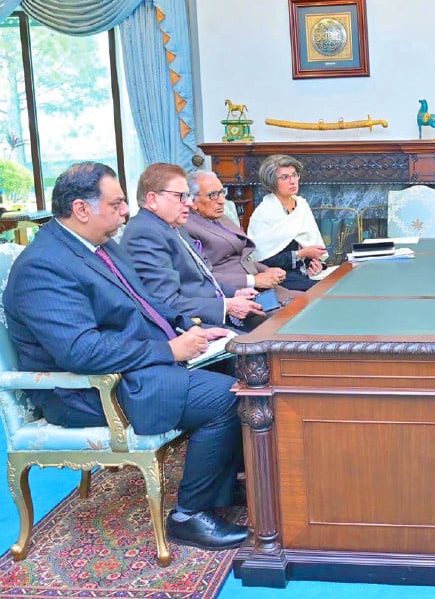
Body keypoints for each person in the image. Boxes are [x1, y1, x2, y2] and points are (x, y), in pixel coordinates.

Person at [2, 162, 248, 550]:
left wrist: (189, 325)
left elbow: (145, 303)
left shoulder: (99, 245)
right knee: (227, 397)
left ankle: (218, 486)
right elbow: (81, 351)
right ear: (82, 209)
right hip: (85, 392)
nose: (126, 211)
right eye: (116, 203)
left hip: (128, 368)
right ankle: (189, 515)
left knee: (240, 365)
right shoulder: (43, 266)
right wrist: (166, 349)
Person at [120, 163, 266, 331]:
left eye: (188, 195)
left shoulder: (174, 225)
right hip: (192, 328)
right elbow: (166, 303)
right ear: (152, 199)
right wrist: (227, 306)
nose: (189, 203)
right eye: (181, 196)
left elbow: (204, 279)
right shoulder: (144, 232)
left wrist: (235, 293)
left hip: (212, 314)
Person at [183, 170, 298, 304]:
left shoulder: (220, 217)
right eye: (212, 195)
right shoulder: (187, 227)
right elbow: (203, 277)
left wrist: (268, 271)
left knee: (311, 301)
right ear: (192, 200)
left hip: (261, 289)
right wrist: (254, 280)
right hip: (236, 297)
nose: (221, 201)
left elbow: (241, 258)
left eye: (222, 192)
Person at [247, 154, 328, 291]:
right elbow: (261, 259)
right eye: (285, 177)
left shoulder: (301, 205)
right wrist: (301, 255)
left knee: (339, 284)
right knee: (325, 292)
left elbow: (309, 245)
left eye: (295, 175)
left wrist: (315, 263)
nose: (293, 181)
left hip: (304, 274)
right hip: (280, 276)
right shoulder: (263, 213)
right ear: (272, 182)